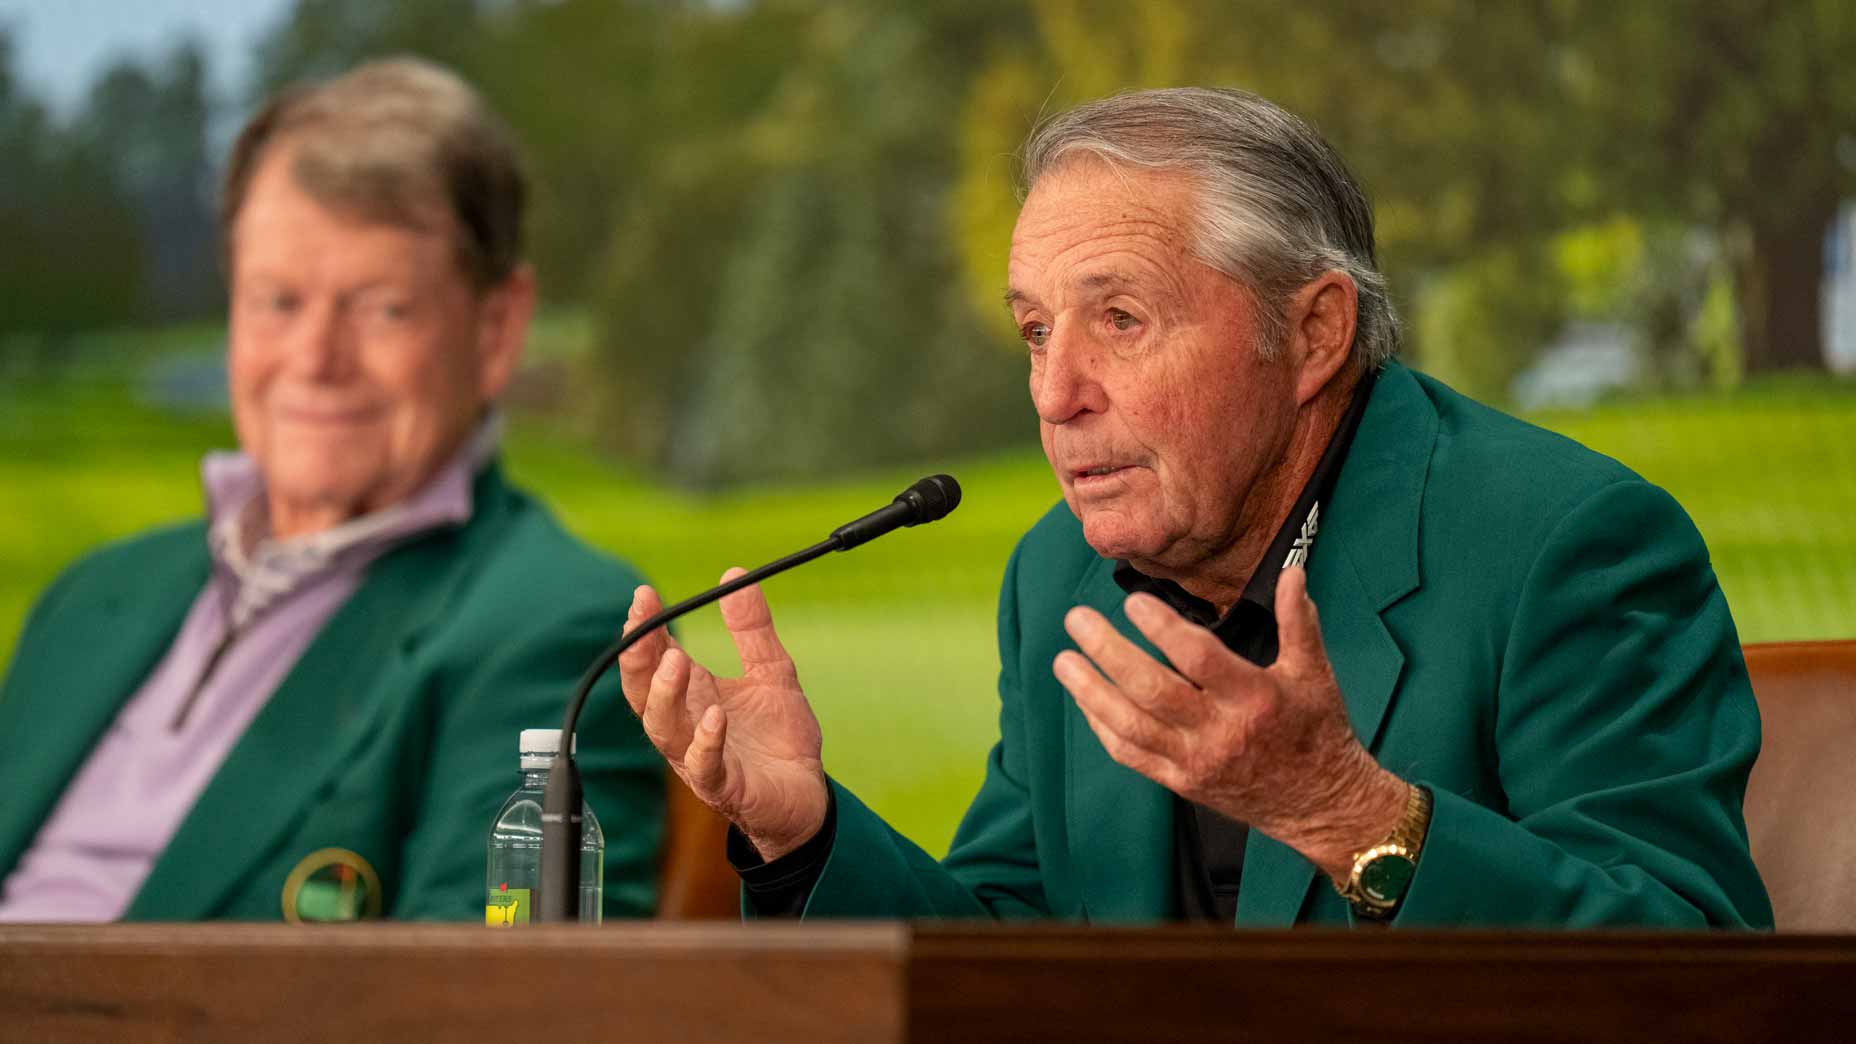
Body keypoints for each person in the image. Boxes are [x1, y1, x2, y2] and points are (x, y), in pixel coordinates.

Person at [617, 88, 1772, 928]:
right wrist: (804, 832)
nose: (1054, 394)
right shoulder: (1059, 577)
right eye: (1034, 331)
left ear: (1310, 334)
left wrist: (1348, 814)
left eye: (1119, 319)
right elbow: (1010, 961)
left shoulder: (1562, 543)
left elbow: (1693, 971)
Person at [0, 58, 661, 923]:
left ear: (496, 328)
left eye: (382, 308)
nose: (314, 360)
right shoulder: (90, 599)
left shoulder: (559, 631)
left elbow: (490, 989)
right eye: (277, 301)